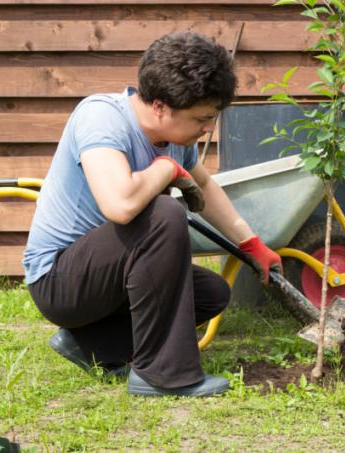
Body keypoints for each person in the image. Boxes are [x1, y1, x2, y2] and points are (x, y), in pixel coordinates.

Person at [23, 32, 282, 397]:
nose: (208, 128)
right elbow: (121, 205)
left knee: (209, 293)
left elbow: (205, 186)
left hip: (110, 277)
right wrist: (166, 169)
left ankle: (91, 344)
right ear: (160, 106)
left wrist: (252, 244)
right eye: (201, 119)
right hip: (60, 282)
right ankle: (162, 375)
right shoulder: (101, 117)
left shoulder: (176, 139)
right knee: (162, 213)